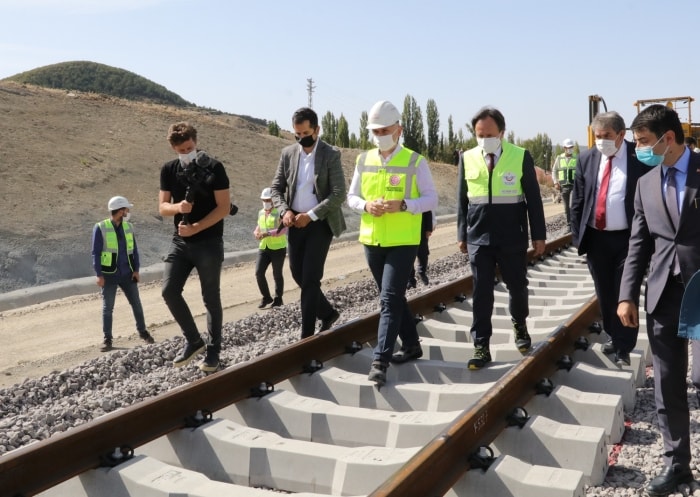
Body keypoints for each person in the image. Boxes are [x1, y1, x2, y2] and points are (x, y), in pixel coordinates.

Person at [617, 104, 700, 496]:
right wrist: (627, 295)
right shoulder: (645, 184)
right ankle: (676, 464)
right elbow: (638, 244)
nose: (639, 150)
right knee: (668, 382)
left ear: (669, 138)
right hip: (664, 291)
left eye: (644, 142)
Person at [347, 99, 438, 385]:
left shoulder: (415, 161)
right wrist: (366, 206)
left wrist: (405, 205)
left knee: (387, 300)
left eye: (385, 130)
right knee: (394, 297)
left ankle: (380, 362)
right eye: (375, 131)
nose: (380, 135)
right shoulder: (363, 160)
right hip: (372, 241)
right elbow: (352, 197)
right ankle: (411, 345)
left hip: (403, 241)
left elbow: (431, 199)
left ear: (399, 129)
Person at [457, 106, 546, 370]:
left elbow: (534, 199)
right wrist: (462, 234)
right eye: (479, 135)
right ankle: (481, 345)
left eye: (489, 134)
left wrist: (539, 235)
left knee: (517, 286)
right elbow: (462, 200)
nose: (484, 139)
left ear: (502, 133)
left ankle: (520, 324)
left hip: (511, 236)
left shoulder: (520, 156)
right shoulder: (467, 158)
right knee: (481, 291)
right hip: (478, 237)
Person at [570, 111, 649, 366]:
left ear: (621, 135)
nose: (601, 141)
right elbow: (578, 200)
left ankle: (624, 346)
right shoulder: (587, 158)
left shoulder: (638, 156)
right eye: (598, 136)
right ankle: (613, 336)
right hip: (597, 239)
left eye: (607, 135)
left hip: (629, 239)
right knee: (604, 292)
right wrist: (577, 237)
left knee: (625, 292)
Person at [159, 122, 231, 372]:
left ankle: (213, 352)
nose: (186, 153)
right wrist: (178, 207)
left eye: (189, 148)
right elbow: (162, 207)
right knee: (169, 291)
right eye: (181, 150)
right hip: (180, 242)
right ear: (173, 148)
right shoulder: (168, 169)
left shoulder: (215, 167)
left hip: (209, 242)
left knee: (211, 297)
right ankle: (193, 341)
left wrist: (196, 227)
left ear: (195, 142)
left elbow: (224, 207)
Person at [270, 107, 347, 339]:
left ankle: (307, 337)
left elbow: (338, 194)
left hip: (320, 223)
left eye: (305, 133)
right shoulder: (288, 154)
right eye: (297, 134)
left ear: (316, 130)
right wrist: (284, 211)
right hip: (294, 222)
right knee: (297, 274)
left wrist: (311, 215)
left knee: (311, 279)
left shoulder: (330, 154)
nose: (301, 138)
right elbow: (276, 189)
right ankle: (328, 313)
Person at [91, 195, 154, 352]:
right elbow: (96, 253)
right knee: (108, 308)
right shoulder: (100, 227)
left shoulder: (128, 227)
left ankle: (143, 333)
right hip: (109, 275)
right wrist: (99, 274)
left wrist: (136, 270)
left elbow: (134, 250)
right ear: (120, 211)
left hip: (128, 274)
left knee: (136, 304)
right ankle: (107, 340)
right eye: (126, 209)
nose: (128, 212)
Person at [254, 187, 287, 309]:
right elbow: (259, 226)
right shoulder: (261, 212)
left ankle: (278, 299)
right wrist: (256, 233)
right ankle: (266, 297)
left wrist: (267, 234)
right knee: (259, 273)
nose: (265, 202)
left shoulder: (280, 212)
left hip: (278, 248)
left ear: (273, 200)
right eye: (264, 200)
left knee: (277, 274)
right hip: (264, 247)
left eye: (268, 200)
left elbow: (283, 230)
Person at [551, 138, 577, 227]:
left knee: (572, 206)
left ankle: (575, 225)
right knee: (566, 208)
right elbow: (554, 171)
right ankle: (569, 225)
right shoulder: (559, 158)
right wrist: (555, 182)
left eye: (571, 147)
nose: (570, 149)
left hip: (574, 187)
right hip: (563, 187)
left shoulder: (577, 158)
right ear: (564, 148)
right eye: (568, 147)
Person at [407, 210, 436, 288]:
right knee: (408, 256)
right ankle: (410, 279)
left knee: (423, 253)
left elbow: (427, 209)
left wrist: (429, 228)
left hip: (421, 229)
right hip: (406, 230)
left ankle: (422, 272)